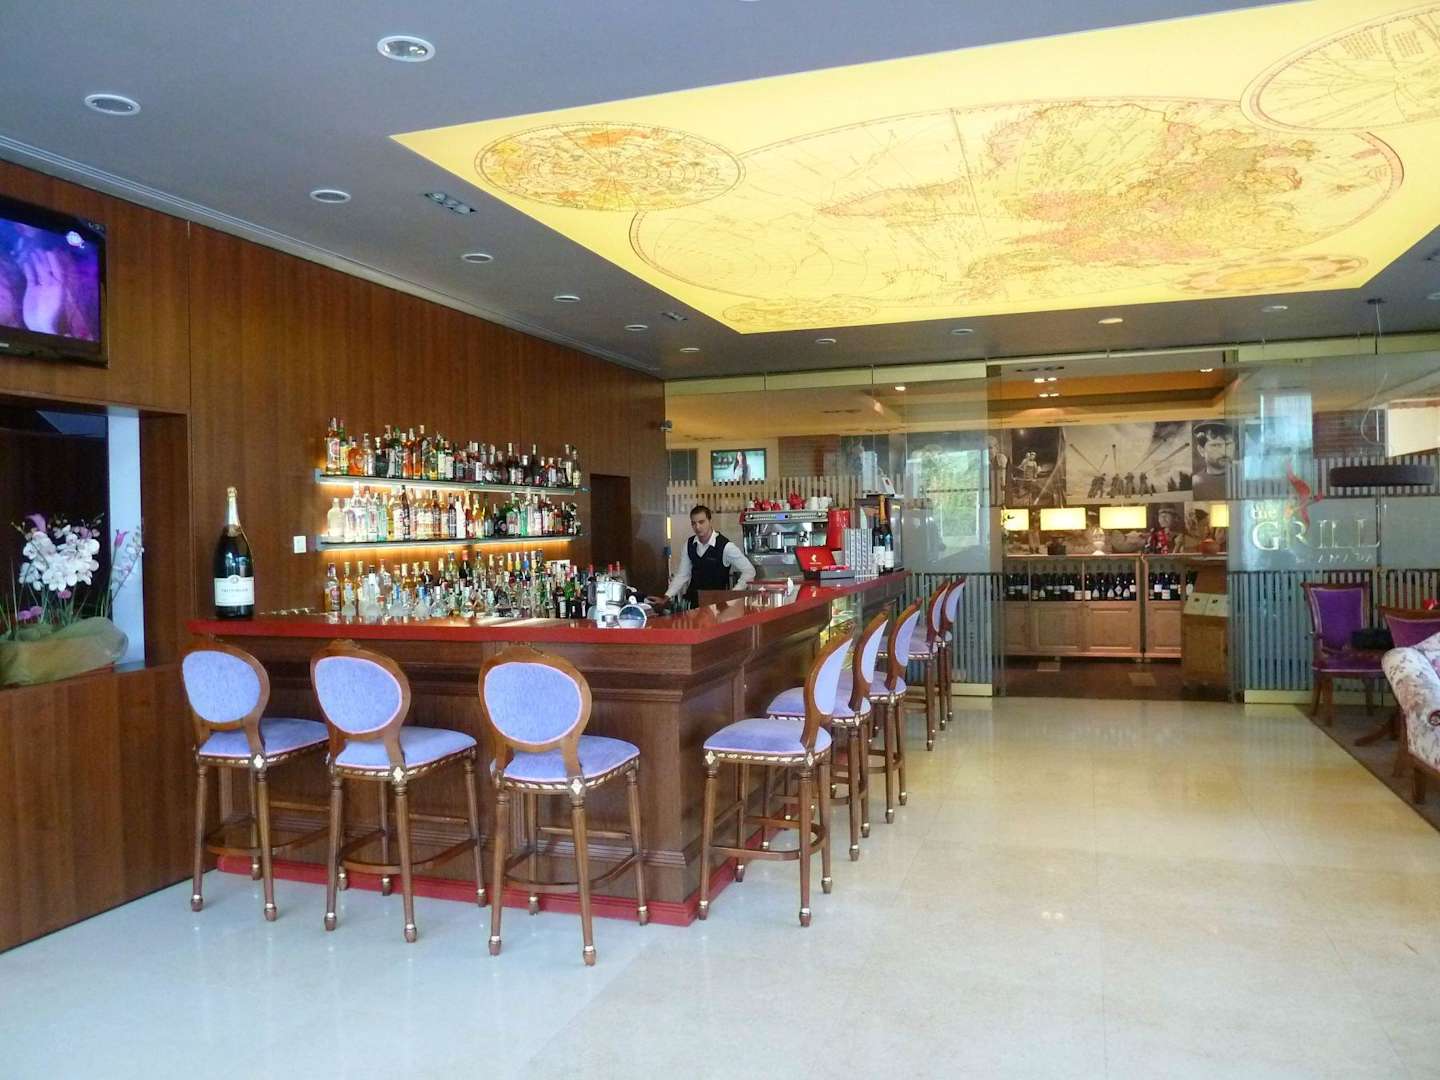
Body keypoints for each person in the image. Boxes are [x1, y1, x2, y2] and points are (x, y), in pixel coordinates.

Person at [650, 504, 755, 610]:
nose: (698, 527)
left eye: (701, 522)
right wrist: (666, 597)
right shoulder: (689, 544)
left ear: (710, 521)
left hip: (715, 606)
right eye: (694, 523)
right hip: (692, 604)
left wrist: (732, 595)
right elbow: (683, 575)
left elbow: (749, 571)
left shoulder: (726, 546)